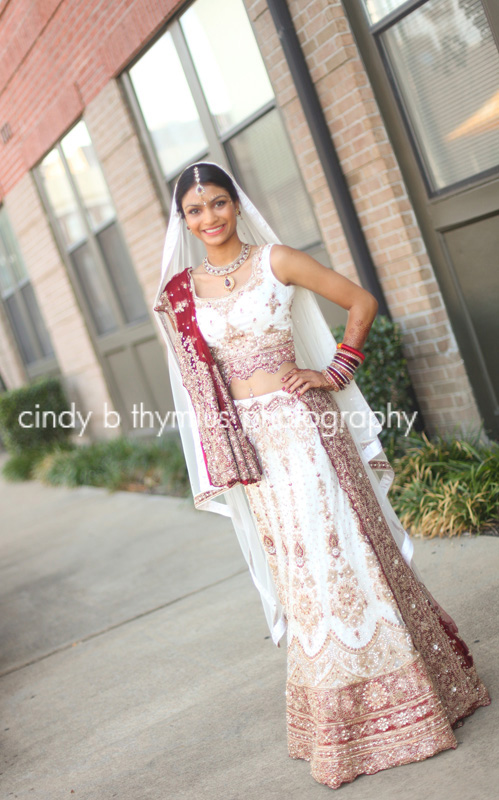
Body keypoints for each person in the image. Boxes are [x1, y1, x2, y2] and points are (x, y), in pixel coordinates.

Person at [153, 162, 490, 789]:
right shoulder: (179, 294)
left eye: (219, 203)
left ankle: (412, 704)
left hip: (308, 432)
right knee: (301, 570)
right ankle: (341, 721)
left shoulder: (276, 259)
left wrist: (335, 372)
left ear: (235, 204)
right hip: (252, 448)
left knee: (343, 551)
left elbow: (360, 300)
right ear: (183, 220)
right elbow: (197, 387)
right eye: (195, 211)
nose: (210, 219)